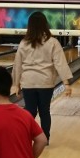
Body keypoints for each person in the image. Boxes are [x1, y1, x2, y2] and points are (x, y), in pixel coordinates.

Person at [12, 11, 73, 143]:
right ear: (45, 24)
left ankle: (25, 137)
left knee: (30, 111)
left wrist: (16, 84)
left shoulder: (24, 43)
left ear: (30, 26)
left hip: (28, 82)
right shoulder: (52, 42)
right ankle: (44, 139)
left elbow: (17, 64)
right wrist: (66, 83)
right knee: (44, 111)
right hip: (45, 82)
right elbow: (60, 63)